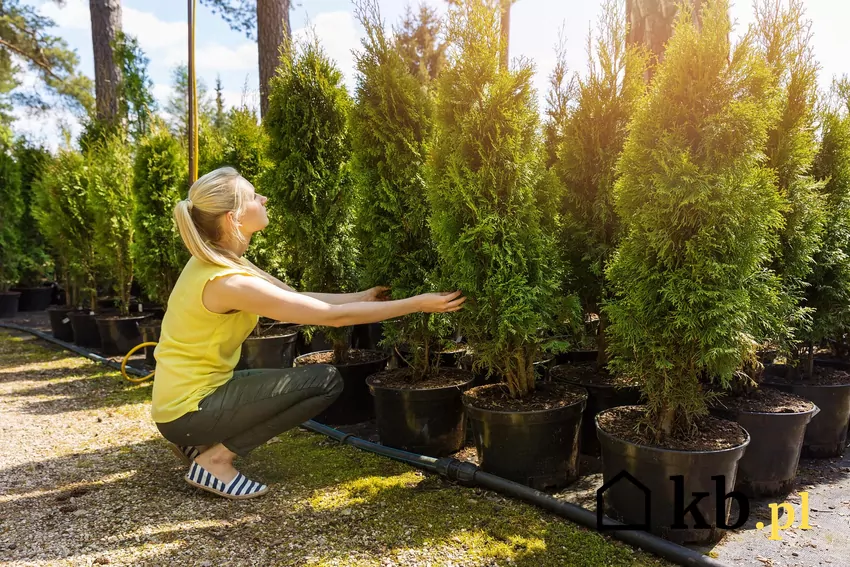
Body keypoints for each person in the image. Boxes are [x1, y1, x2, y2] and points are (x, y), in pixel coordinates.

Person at [151, 167, 466, 500]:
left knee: (277, 384)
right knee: (324, 382)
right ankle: (215, 461)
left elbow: (297, 298)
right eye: (253, 196)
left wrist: (361, 297)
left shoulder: (219, 261)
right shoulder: (230, 281)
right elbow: (333, 318)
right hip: (188, 410)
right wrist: (417, 304)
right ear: (234, 218)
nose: (263, 198)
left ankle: (197, 442)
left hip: (180, 405)